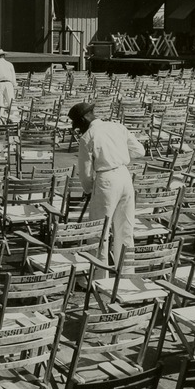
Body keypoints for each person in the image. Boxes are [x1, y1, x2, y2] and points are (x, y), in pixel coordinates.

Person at [68, 101, 145, 270]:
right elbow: (140, 151)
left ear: (83, 119)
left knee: (99, 231)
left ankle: (99, 276)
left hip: (106, 180)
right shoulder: (118, 127)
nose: (78, 128)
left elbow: (85, 172)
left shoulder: (87, 137)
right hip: (124, 175)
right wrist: (119, 154)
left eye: (78, 124)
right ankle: (125, 272)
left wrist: (88, 189)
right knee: (125, 228)